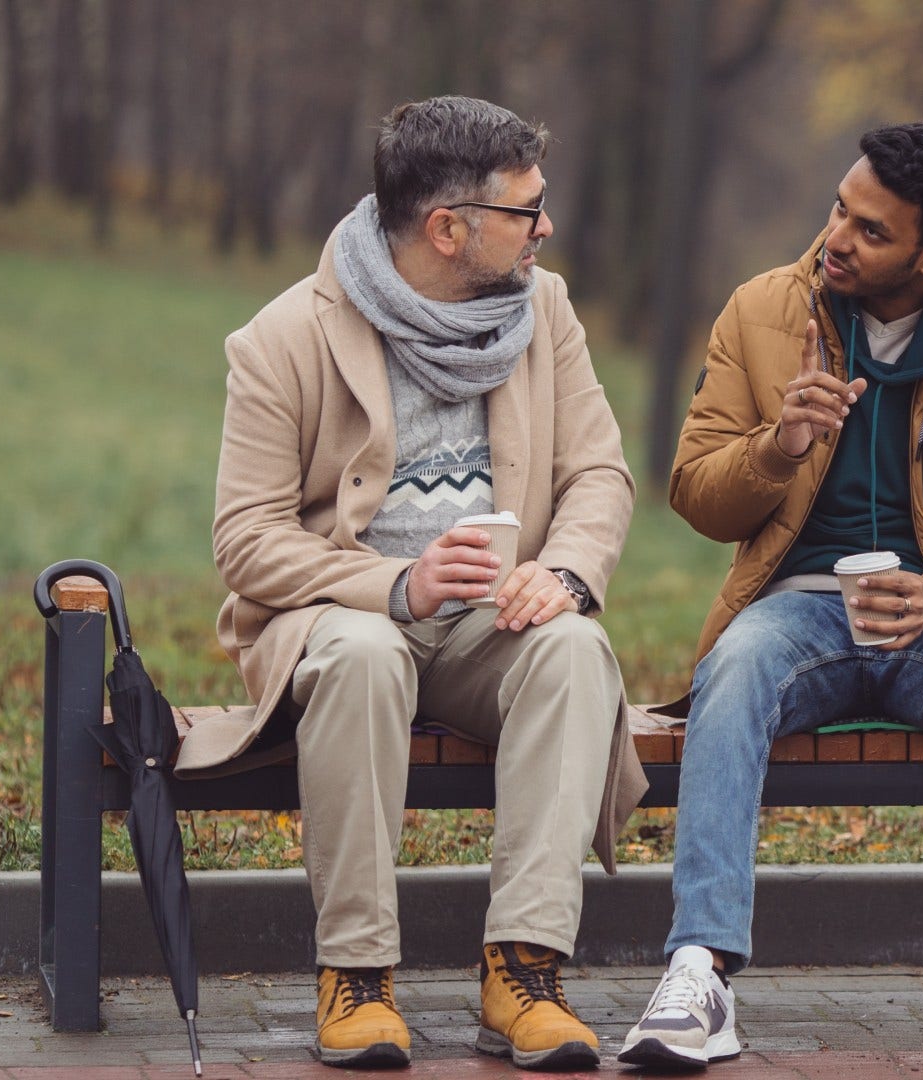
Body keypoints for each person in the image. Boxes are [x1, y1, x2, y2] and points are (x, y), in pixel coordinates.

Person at [620, 120, 923, 1068]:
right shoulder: (764, 312)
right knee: (736, 663)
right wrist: (778, 446)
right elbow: (694, 495)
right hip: (796, 611)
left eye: (871, 231)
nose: (837, 237)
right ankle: (698, 973)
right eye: (839, 209)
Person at [202, 95, 646, 1071]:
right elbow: (247, 540)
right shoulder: (284, 340)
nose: (548, 228)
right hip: (347, 620)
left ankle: (523, 970)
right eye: (529, 212)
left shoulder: (548, 311)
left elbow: (599, 474)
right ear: (450, 229)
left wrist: (564, 573)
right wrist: (399, 584)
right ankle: (356, 977)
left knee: (574, 649)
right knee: (361, 656)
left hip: (494, 625)